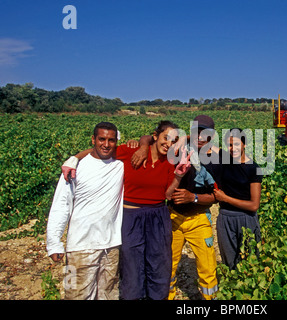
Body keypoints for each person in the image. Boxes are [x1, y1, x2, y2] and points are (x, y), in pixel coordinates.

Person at [61, 121, 191, 300]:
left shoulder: (170, 160)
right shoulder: (132, 151)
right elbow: (98, 153)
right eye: (165, 138)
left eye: (174, 140)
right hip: (131, 216)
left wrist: (179, 175)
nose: (169, 144)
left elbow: (168, 194)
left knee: (159, 263)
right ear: (155, 136)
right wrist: (74, 159)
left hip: (158, 215)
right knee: (132, 264)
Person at [133, 115, 221, 300]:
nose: (200, 136)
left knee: (207, 266)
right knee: (168, 264)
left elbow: (216, 196)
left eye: (205, 133)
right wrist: (142, 146)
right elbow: (151, 138)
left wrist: (193, 197)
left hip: (199, 219)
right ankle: (168, 296)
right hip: (172, 217)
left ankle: (209, 299)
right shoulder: (176, 149)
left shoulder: (216, 160)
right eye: (196, 131)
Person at [46, 121, 124, 300]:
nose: (106, 144)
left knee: (108, 294)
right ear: (93, 139)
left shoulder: (120, 165)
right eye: (101, 139)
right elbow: (61, 205)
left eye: (111, 140)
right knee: (75, 295)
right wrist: (54, 242)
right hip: (79, 248)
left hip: (111, 246)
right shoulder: (75, 169)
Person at [214, 128, 263, 270]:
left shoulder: (253, 168)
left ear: (244, 144)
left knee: (251, 260)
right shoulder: (223, 162)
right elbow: (203, 143)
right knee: (229, 261)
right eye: (229, 145)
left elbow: (254, 205)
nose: (232, 148)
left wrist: (225, 198)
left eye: (236, 144)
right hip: (225, 218)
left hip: (246, 218)